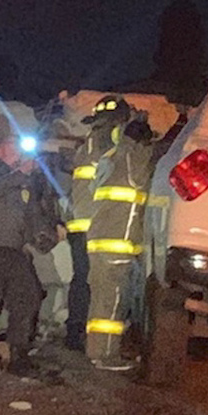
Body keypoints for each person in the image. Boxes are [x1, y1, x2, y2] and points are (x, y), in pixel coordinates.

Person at [0, 135, 52, 375]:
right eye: (13, 146)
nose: (18, 151)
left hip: (15, 251)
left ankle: (19, 356)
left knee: (28, 297)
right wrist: (21, 174)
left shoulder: (24, 181)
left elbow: (31, 212)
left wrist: (43, 234)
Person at [85, 106, 155, 371]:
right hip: (116, 243)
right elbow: (143, 171)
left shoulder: (111, 155)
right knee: (112, 302)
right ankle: (105, 356)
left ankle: (96, 351)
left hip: (102, 240)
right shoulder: (130, 157)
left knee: (101, 300)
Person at [64, 96, 131, 352]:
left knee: (81, 280)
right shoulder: (111, 137)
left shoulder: (88, 141)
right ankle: (86, 338)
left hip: (79, 225)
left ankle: (75, 333)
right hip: (95, 225)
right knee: (94, 283)